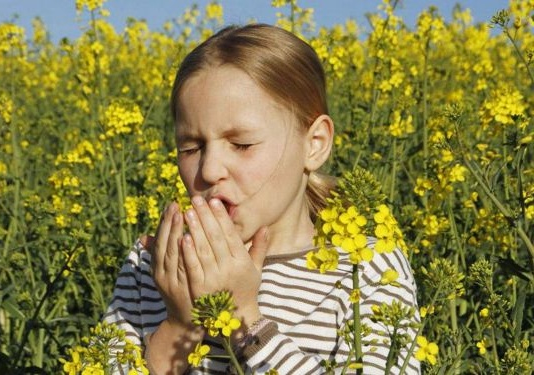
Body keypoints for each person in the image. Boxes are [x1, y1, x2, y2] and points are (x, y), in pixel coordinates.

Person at [103, 23, 421, 374]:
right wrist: (180, 324)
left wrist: (245, 321)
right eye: (190, 146)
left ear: (314, 144)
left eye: (241, 144)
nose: (209, 170)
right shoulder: (152, 267)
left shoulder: (367, 269)